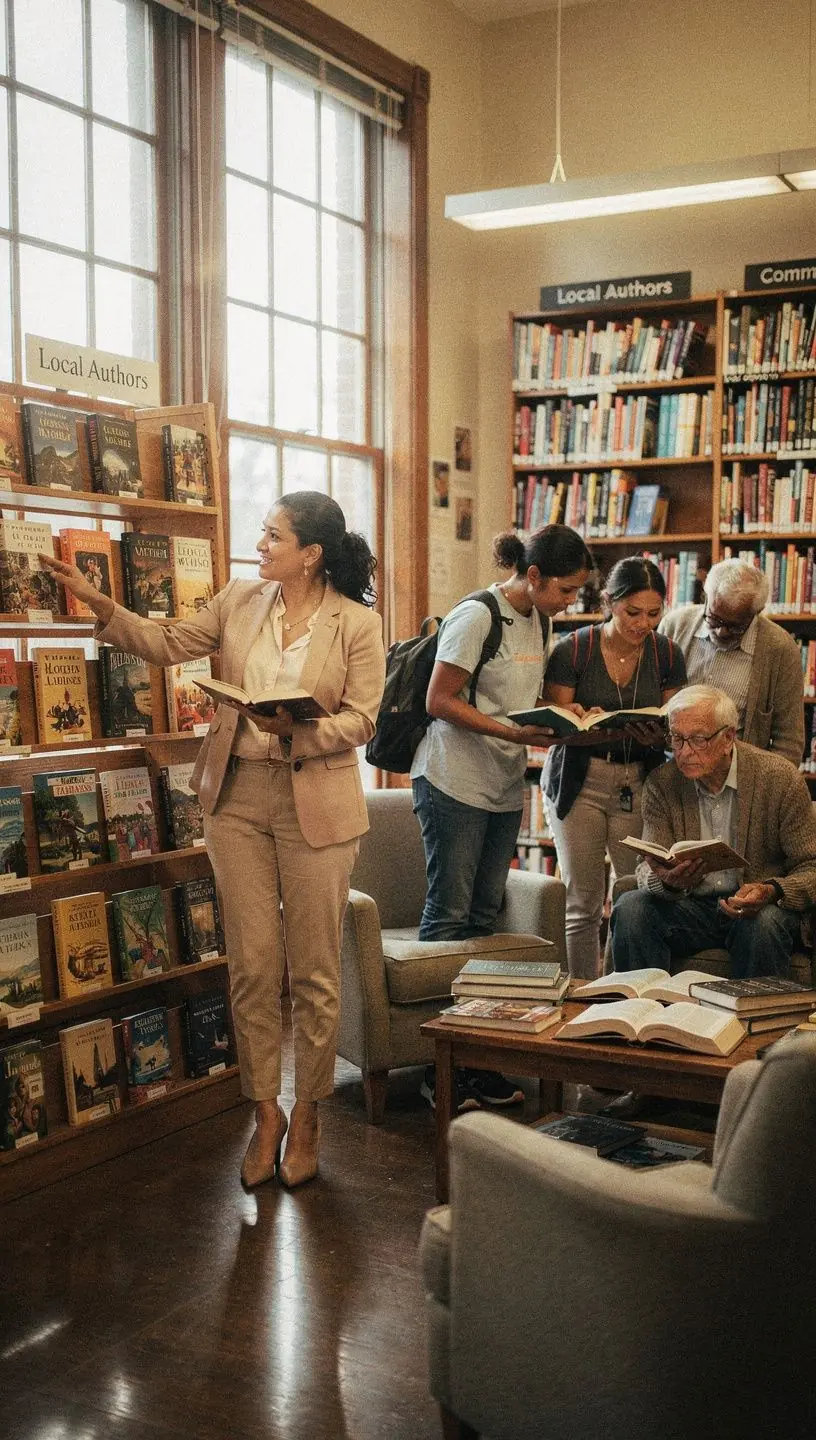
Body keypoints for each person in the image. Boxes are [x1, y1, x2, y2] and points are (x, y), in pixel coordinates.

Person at [41, 492, 385, 1191]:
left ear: (311, 554)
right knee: (253, 966)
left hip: (315, 798)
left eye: (273, 535)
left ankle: (310, 1114)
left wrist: (297, 727)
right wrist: (98, 603)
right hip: (236, 799)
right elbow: (167, 643)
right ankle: (266, 1114)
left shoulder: (360, 623)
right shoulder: (239, 598)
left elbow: (363, 720)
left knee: (314, 972)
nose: (260, 544)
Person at [411, 524, 593, 1109]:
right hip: (452, 781)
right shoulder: (477, 615)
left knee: (486, 918)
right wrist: (513, 730)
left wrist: (563, 719)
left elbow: (517, 695)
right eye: (566, 591)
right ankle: (437, 1069)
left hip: (502, 784)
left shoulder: (539, 619)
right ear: (533, 576)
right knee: (451, 914)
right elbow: (439, 701)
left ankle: (478, 1056)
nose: (572, 604)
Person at [541, 557, 687, 980]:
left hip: (640, 780)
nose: (644, 624)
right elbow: (553, 724)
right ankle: (586, 994)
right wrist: (580, 717)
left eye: (654, 614)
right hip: (579, 780)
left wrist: (656, 735)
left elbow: (675, 724)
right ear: (608, 602)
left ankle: (623, 991)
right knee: (582, 901)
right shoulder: (574, 649)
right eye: (632, 613)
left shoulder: (666, 654)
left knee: (632, 891)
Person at [610, 684, 816, 977]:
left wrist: (771, 889)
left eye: (697, 739)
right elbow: (647, 866)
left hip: (760, 909)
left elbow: (811, 867)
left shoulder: (780, 778)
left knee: (763, 925)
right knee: (632, 908)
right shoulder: (662, 783)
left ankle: (753, 1021)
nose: (685, 752)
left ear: (728, 737)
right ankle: (640, 1014)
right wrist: (667, 882)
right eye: (677, 739)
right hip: (693, 907)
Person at [659, 558, 805, 766]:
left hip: (741, 776)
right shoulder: (674, 627)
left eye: (735, 626)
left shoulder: (780, 649)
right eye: (714, 619)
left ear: (756, 613)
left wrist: (766, 789)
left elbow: (789, 741)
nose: (721, 631)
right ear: (706, 597)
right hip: (674, 769)